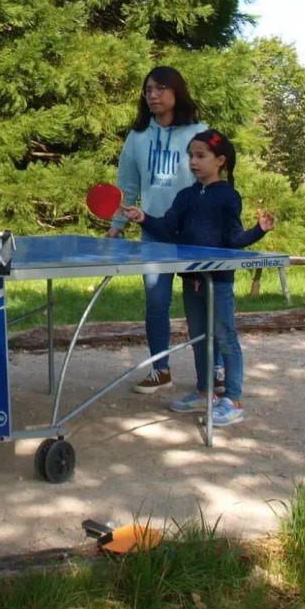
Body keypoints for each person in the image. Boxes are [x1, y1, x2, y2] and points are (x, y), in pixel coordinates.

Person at [122, 129, 275, 427]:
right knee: (198, 339)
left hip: (217, 281)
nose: (193, 161)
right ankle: (205, 392)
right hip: (191, 279)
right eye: (191, 155)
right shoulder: (185, 196)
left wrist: (259, 231)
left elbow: (233, 239)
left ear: (219, 161)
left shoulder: (228, 196)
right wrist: (144, 218)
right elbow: (169, 230)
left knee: (225, 338)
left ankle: (233, 399)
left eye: (201, 156)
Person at [107, 66, 212, 394]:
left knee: (203, 305)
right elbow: (126, 184)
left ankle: (213, 372)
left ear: (176, 92)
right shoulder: (137, 137)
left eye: (160, 89)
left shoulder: (200, 132)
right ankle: (160, 369)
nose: (153, 95)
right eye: (148, 89)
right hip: (154, 233)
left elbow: (214, 179)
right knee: (156, 304)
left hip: (196, 235)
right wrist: (116, 225)